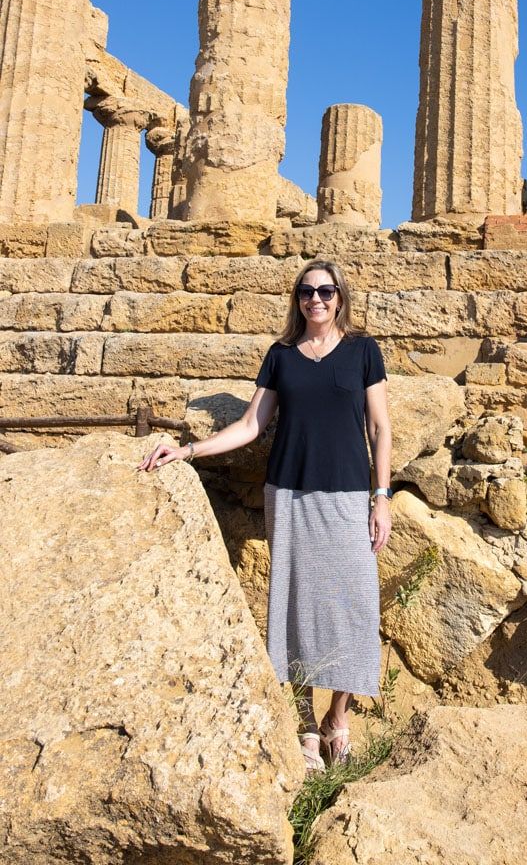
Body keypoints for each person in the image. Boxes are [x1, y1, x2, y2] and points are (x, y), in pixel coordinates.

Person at [139, 258, 392, 773]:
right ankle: (306, 723)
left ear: (340, 297)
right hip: (290, 493)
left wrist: (381, 495)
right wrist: (188, 450)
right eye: (306, 291)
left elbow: (380, 428)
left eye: (325, 291)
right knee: (295, 604)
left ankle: (337, 718)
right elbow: (251, 425)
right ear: (297, 299)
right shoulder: (281, 355)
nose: (315, 299)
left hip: (348, 496)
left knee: (356, 606)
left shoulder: (364, 351)